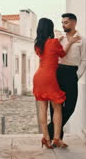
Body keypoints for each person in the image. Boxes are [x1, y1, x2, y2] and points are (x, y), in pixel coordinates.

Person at [33, 18, 80, 148]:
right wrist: (70, 42)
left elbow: (48, 53)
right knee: (57, 108)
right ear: (50, 28)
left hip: (38, 77)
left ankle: (46, 138)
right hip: (49, 77)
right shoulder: (53, 42)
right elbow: (62, 54)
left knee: (42, 109)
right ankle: (57, 138)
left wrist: (57, 41)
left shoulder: (37, 44)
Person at [47, 13, 86, 144]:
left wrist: (76, 76)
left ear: (74, 22)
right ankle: (57, 138)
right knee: (55, 107)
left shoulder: (83, 40)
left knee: (70, 106)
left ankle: (50, 129)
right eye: (62, 22)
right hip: (58, 72)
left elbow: (84, 60)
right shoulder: (60, 39)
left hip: (72, 73)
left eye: (66, 22)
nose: (63, 25)